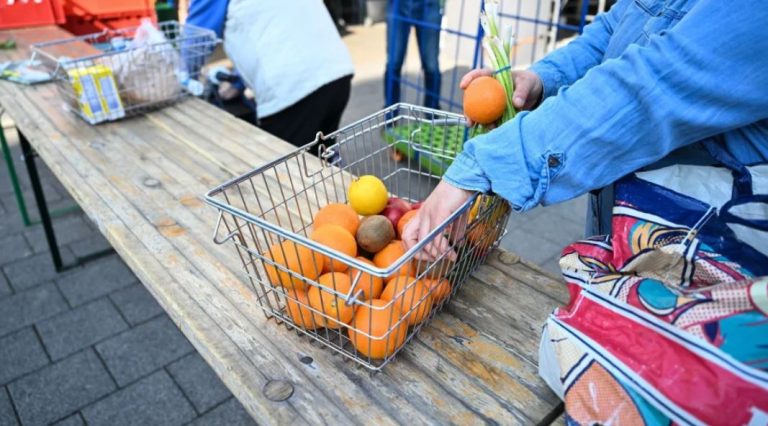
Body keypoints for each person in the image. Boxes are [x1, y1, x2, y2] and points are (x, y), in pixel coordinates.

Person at [402, 0, 768, 258]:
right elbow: (613, 29)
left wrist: (484, 163)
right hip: (626, 215)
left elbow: (656, 85)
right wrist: (539, 79)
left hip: (707, 244)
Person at [186, 0, 354, 152]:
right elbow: (274, 24)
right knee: (321, 163)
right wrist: (238, 82)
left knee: (285, 176)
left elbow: (194, 42)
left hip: (293, 90)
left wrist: (182, 81)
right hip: (335, 71)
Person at [384, 0, 442, 109]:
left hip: (429, 4)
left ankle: (433, 115)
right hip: (398, 4)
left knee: (431, 66)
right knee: (394, 63)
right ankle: (390, 115)